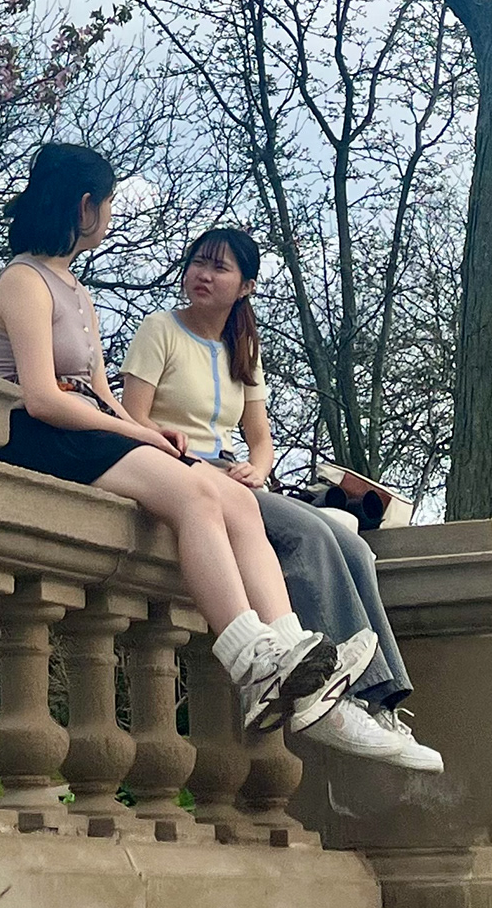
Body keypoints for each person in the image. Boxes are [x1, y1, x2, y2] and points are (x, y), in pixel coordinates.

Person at [0, 145, 373, 738]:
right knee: (196, 495)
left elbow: (99, 391)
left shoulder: (75, 290)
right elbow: (41, 397)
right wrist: (132, 431)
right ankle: (250, 661)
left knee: (237, 500)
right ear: (85, 207)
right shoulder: (23, 281)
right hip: (38, 434)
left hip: (83, 427)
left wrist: (146, 432)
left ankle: (289, 649)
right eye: (108, 202)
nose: (111, 214)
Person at [120, 226, 443, 775]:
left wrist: (259, 468)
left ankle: (381, 703)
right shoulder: (161, 330)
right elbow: (133, 417)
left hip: (236, 478)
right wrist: (186, 454)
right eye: (198, 263)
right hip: (183, 471)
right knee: (308, 533)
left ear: (246, 286)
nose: (202, 275)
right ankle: (338, 699)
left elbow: (261, 438)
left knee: (354, 547)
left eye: (219, 267)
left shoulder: (243, 349)